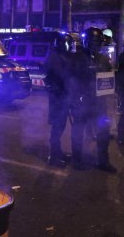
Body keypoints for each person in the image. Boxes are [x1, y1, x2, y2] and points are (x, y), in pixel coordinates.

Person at [72, 27, 116, 173]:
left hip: (99, 103)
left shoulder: (103, 59)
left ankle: (103, 161)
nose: (95, 45)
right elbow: (71, 80)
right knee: (78, 131)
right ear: (86, 42)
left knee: (103, 132)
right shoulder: (77, 58)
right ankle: (76, 159)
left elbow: (109, 77)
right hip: (82, 102)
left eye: (97, 42)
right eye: (92, 41)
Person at [44, 32, 74, 168]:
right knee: (57, 127)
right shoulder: (55, 56)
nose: (68, 46)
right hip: (58, 96)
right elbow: (61, 75)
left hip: (64, 95)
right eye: (65, 43)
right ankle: (53, 157)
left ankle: (58, 152)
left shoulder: (64, 56)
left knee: (61, 127)